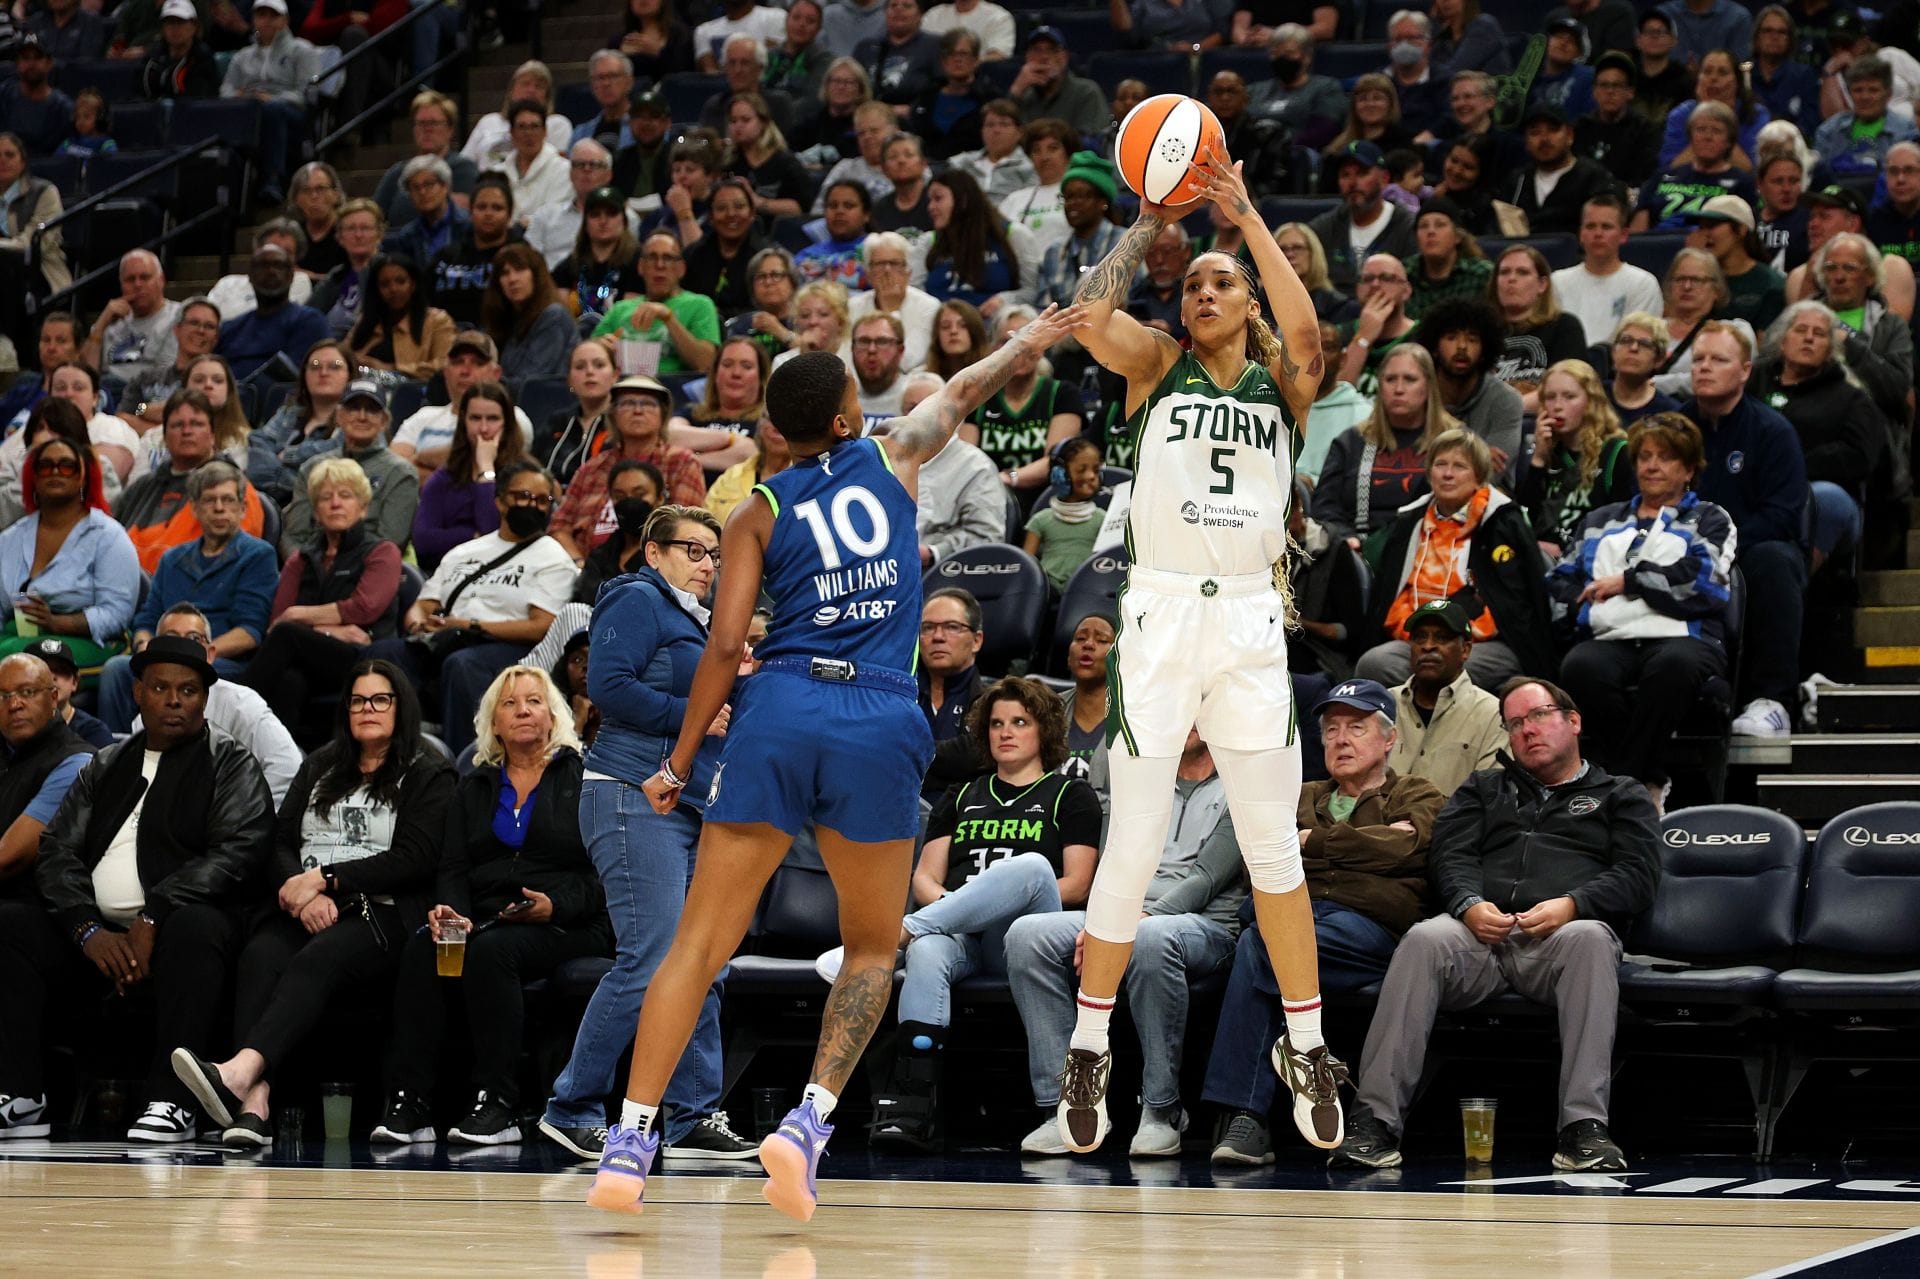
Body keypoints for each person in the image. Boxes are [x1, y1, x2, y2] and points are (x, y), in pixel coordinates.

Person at [584, 302, 1080, 1219]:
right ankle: (807, 1123)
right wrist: (1031, 338)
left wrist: (679, 760)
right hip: (879, 712)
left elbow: (726, 645)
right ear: (850, 418)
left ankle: (629, 1137)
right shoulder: (894, 457)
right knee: (873, 945)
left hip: (781, 705)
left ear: (777, 429)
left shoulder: (755, 511)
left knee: (696, 943)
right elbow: (966, 389)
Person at [1031, 151, 1351, 1163]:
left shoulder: (1281, 382)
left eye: (1222, 284)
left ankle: (1307, 1045)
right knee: (1131, 842)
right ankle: (1090, 1047)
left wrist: (1246, 213)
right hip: (1161, 616)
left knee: (1272, 852)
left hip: (1253, 621)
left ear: (1247, 301)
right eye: (1191, 283)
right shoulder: (1157, 366)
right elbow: (1087, 316)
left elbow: (1307, 330)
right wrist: (1145, 225)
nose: (1201, 292)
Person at [1333, 676, 1659, 1172]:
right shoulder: (1485, 788)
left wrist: (1573, 903)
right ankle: (1373, 1122)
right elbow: (1449, 854)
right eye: (1515, 723)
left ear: (1572, 722)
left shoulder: (1620, 794)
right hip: (1479, 937)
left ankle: (1583, 1128)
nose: (1527, 730)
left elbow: (1638, 875)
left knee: (1591, 939)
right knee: (1423, 938)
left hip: (1559, 939)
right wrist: (1467, 904)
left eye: (1539, 716)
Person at [536, 505, 757, 1161]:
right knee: (655, 956)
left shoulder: (702, 621)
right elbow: (609, 686)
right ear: (651, 553)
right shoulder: (635, 596)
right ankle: (571, 1106)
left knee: (701, 962)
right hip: (630, 792)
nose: (708, 563)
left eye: (714, 554)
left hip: (689, 803)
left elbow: (712, 711)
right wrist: (697, 710)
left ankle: (691, 1117)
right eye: (692, 549)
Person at [167, 662, 454, 1149]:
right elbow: (278, 841)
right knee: (261, 956)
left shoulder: (428, 770)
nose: (367, 710)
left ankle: (239, 1071)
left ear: (400, 706)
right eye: (358, 701)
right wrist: (301, 899)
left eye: (380, 699)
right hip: (307, 906)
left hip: (381, 912)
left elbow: (415, 858)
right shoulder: (322, 763)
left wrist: (327, 880)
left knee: (319, 957)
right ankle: (254, 1106)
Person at [27, 634, 274, 1143]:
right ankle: (20, 1095)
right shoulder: (106, 762)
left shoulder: (231, 763)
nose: (174, 699)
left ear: (205, 699)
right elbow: (56, 850)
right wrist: (86, 929)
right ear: (137, 693)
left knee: (197, 926)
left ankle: (173, 1100)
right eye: (160, 687)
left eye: (188, 690)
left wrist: (154, 913)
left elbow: (238, 851)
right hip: (97, 936)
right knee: (11, 923)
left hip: (181, 925)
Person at [1202, 679, 1443, 1166]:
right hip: (1299, 922)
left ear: (1389, 738)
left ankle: (1244, 1116)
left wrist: (1310, 843)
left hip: (1369, 931)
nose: (1340, 739)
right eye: (1331, 730)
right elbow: (1260, 858)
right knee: (1265, 939)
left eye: (1356, 727)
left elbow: (1410, 847)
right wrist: (1369, 844)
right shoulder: (1298, 792)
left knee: (1263, 944)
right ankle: (1290, 1087)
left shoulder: (1417, 792)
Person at [373, 665, 613, 1146]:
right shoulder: (474, 785)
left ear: (553, 717)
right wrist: (453, 913)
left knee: (491, 952)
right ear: (494, 723)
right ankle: (410, 1102)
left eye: (533, 701)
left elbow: (605, 869)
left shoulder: (584, 778)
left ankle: (497, 1103)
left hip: (573, 921)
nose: (522, 710)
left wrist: (555, 905)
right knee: (425, 947)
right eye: (509, 703)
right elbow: (454, 866)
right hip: (488, 916)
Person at [1550, 414, 1735, 807]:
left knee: (1672, 667)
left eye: (1665, 457)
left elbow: (1704, 584)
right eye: (1645, 457)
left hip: (1685, 635)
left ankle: (1622, 787)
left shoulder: (1709, 518)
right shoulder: (1601, 520)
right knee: (1581, 668)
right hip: (1609, 636)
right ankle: (1644, 782)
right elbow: (1561, 582)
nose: (1651, 466)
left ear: (1688, 469)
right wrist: (1586, 604)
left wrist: (1628, 583)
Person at [1675, 322, 1810, 738]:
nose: (1704, 368)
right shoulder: (1674, 429)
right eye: (1698, 359)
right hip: (1680, 548)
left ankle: (1772, 701)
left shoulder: (1772, 431)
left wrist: (1720, 549)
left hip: (1746, 550)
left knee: (1776, 559)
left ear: (1745, 371)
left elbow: (1783, 514)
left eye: (1718, 360)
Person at [389, 460, 578, 752]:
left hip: (512, 647)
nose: (533, 506)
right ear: (500, 503)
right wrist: (417, 623)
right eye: (523, 497)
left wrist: (471, 625)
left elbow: (541, 626)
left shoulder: (552, 557)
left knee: (462, 664)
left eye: (543, 500)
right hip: (447, 637)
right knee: (383, 655)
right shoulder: (464, 552)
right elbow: (423, 604)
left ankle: (469, 763)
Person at [1355, 428, 1554, 688]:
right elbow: (1386, 594)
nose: (1448, 474)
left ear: (1480, 476)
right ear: (1429, 473)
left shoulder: (1503, 523)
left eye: (1460, 466)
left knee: (1445, 670)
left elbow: (1521, 603)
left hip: (1483, 644)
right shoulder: (1409, 522)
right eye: (1440, 465)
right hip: (1414, 639)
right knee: (1374, 663)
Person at [96, 460, 276, 732]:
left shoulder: (258, 555)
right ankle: (117, 753)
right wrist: (145, 645)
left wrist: (193, 653)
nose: (219, 508)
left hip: (222, 660)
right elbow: (147, 618)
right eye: (209, 500)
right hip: (165, 654)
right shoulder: (172, 559)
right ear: (194, 508)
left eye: (228, 500)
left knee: (184, 675)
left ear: (242, 508)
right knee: (117, 669)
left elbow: (248, 633)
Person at [238, 457, 406, 734]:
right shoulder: (301, 559)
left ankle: (232, 713)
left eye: (345, 496)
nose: (335, 503)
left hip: (366, 654)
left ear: (363, 508)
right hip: (315, 658)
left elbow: (364, 608)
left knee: (287, 636)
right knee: (289, 681)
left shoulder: (382, 552)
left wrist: (299, 616)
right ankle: (284, 763)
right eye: (326, 498)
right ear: (316, 511)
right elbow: (277, 621)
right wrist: (329, 631)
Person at [1749, 300, 1883, 572]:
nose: (1809, 338)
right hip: (1754, 485)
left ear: (1831, 350)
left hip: (1819, 492)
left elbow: (1860, 457)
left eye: (1819, 334)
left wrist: (1796, 465)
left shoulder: (1852, 399)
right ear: (1784, 340)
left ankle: (1794, 580)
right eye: (1801, 330)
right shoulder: (1752, 382)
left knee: (1825, 499)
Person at [0, 434, 139, 674]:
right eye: (45, 466)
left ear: (83, 478)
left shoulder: (109, 537)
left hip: (88, 640)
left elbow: (116, 614)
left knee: (15, 660)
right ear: (32, 477)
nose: (55, 471)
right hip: (16, 636)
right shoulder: (10, 538)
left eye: (67, 466)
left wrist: (56, 622)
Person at [551, 375, 706, 563]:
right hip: (588, 572)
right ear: (613, 414)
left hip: (654, 572)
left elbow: (685, 530)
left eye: (648, 403)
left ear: (663, 414)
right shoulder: (591, 468)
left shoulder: (682, 463)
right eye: (628, 403)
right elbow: (559, 527)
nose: (638, 410)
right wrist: (578, 564)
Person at [1311, 344, 1448, 545]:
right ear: (1380, 386)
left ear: (1428, 385)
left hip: (1433, 550)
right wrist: (1344, 537)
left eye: (1410, 379)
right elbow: (1324, 506)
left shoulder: (1454, 441)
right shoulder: (1352, 441)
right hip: (1358, 552)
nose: (1399, 389)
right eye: (1390, 379)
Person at [1381, 599, 1506, 797]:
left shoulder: (1493, 715)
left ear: (1465, 650)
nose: (1428, 646)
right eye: (1420, 638)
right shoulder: (1383, 705)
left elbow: (1489, 800)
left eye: (1442, 638)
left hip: (1454, 826)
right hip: (1374, 826)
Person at [388, 332, 536, 485]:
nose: (465, 371)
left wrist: (420, 458)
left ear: (496, 374)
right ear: (446, 372)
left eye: (477, 363)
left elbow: (486, 465)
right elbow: (394, 472)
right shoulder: (423, 417)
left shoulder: (512, 417)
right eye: (458, 362)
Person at [1521, 360, 1634, 558]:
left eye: (1569, 397)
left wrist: (1569, 551)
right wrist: (1538, 459)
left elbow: (1623, 526)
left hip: (1588, 560)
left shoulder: (1616, 452)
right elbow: (1524, 520)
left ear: (1591, 401)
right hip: (1537, 558)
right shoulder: (1545, 450)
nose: (1557, 406)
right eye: (1550, 397)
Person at [962, 306, 1080, 492]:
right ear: (994, 349)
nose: (1019, 349)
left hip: (1043, 499)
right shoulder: (980, 397)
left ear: (1042, 347)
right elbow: (964, 460)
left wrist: (1008, 479)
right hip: (985, 498)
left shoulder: (1063, 394)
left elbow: (1055, 460)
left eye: (1028, 338)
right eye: (1007, 341)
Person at [219, 0, 322, 204]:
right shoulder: (242, 56)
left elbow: (307, 93)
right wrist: (239, 97)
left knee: (272, 110)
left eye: (273, 16)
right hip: (249, 112)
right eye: (261, 15)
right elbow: (225, 90)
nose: (267, 21)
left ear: (285, 19)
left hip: (291, 114)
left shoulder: (302, 50)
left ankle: (273, 180)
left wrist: (272, 99)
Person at [413, 382, 522, 573]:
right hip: (447, 574)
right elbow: (423, 541)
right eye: (475, 418)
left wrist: (486, 469)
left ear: (508, 422)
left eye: (493, 418)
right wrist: (471, 535)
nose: (483, 428)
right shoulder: (445, 477)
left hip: (504, 575)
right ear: (464, 421)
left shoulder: (523, 475)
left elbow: (494, 538)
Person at [1414, 297, 1523, 477]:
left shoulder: (1505, 400)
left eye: (1472, 339)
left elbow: (1494, 474)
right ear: (1434, 347)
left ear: (1485, 350)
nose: (1462, 347)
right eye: (1451, 338)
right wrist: (1477, 454)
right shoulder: (1417, 393)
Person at [592, 232, 722, 377]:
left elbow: (706, 364)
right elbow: (588, 355)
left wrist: (669, 319)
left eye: (668, 258)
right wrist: (601, 347)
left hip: (674, 391)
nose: (660, 265)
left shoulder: (700, 305)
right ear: (641, 267)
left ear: (681, 268)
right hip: (623, 387)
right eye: (652, 257)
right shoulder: (620, 309)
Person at [1552, 193, 1665, 347]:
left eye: (1606, 227)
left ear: (1623, 235)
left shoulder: (1643, 284)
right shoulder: (1557, 282)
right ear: (1581, 234)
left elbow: (1639, 343)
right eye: (1590, 226)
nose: (1598, 234)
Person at [1309, 142, 1418, 294]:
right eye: (1345, 175)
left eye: (1362, 173)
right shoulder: (1325, 227)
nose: (1352, 183)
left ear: (1385, 179)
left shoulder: (1408, 227)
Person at [1631, 101, 1756, 233]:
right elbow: (1638, 232)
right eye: (1701, 129)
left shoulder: (1742, 182)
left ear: (1729, 141)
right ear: (1690, 137)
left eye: (1717, 131)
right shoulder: (1661, 177)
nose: (1707, 137)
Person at [215, 245, 330, 382]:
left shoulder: (310, 321)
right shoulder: (230, 329)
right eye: (263, 265)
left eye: (279, 265)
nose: (271, 271)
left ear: (291, 276)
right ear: (250, 276)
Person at [1506, 104, 1621, 237]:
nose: (1544, 139)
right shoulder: (1518, 181)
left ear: (1570, 136)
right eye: (1535, 133)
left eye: (1553, 130)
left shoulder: (1593, 177)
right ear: (1526, 142)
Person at [1491, 245, 1590, 396]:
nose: (1511, 279)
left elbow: (1567, 391)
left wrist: (1510, 408)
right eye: (1504, 272)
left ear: (1542, 284)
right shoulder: (1481, 331)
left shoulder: (1564, 326)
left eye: (1522, 272)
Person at [372, 93, 480, 231]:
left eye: (434, 123)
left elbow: (465, 212)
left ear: (450, 130)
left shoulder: (463, 169)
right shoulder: (397, 172)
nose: (427, 129)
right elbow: (375, 215)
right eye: (421, 123)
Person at [429, 175, 521, 332]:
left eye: (497, 208)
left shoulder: (522, 257)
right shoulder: (445, 257)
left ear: (510, 214)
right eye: (481, 207)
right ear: (470, 212)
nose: (488, 214)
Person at [348, 254, 456, 383]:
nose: (393, 289)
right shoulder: (366, 321)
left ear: (413, 285)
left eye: (400, 281)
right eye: (385, 284)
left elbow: (446, 364)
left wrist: (391, 369)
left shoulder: (437, 321)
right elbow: (338, 357)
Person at [1687, 194, 1788, 330]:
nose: (1704, 234)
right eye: (1701, 227)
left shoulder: (1770, 284)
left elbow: (1764, 346)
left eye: (1711, 226)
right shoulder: (1689, 280)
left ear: (1741, 230)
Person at [80, 250, 181, 386]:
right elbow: (85, 376)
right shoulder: (110, 322)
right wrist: (100, 324)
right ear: (121, 284)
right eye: (130, 279)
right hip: (106, 396)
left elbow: (167, 379)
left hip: (145, 398)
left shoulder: (177, 316)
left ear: (161, 280)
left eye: (145, 277)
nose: (137, 285)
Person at [670, 336, 767, 474]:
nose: (736, 373)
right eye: (727, 364)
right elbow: (670, 434)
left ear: (761, 377)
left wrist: (691, 460)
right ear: (715, 374)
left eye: (746, 366)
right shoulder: (692, 412)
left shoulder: (766, 421)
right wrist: (730, 438)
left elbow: (750, 454)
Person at [681, 177, 771, 322]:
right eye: (721, 208)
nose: (730, 214)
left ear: (752, 213)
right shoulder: (694, 255)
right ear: (710, 216)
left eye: (739, 206)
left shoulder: (767, 257)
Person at [484, 243, 575, 381]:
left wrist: (483, 382)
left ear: (536, 276)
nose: (512, 279)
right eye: (505, 273)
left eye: (520, 269)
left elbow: (532, 382)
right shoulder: (506, 320)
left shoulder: (554, 316)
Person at [574, 462, 663, 604]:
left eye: (639, 494)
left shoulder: (668, 553)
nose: (629, 501)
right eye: (620, 496)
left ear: (659, 499)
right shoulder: (601, 554)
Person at [532, 341, 618, 486]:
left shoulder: (622, 423)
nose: (590, 372)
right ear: (569, 380)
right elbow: (533, 467)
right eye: (580, 367)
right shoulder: (556, 422)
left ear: (615, 375)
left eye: (599, 365)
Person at [1022, 437, 1103, 590]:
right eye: (1081, 470)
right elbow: (1026, 567)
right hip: (1047, 591)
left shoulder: (1103, 520)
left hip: (1086, 589)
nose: (1091, 476)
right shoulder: (1040, 520)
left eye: (1096, 470)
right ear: (1060, 475)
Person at [1816, 55, 1918, 175]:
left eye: (1873, 90)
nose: (1865, 97)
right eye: (1858, 90)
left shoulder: (1907, 130)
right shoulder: (1829, 130)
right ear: (1849, 94)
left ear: (1888, 94)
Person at [553, 185, 639, 327]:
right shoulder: (569, 266)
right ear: (585, 224)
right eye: (595, 214)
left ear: (624, 221)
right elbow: (561, 318)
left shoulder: (637, 262)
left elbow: (630, 319)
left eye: (611, 214)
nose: (603, 221)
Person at [1248, 26, 1346, 151]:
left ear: (1307, 57)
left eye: (1289, 53)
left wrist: (1282, 147)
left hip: (1297, 156)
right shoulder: (1254, 90)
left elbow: (1324, 129)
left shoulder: (1326, 87)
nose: (1281, 59)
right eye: (1275, 53)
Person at [1576, 53, 1661, 190]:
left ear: (1630, 92)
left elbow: (1646, 178)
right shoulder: (1581, 128)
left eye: (1617, 85)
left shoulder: (1644, 131)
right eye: (1604, 85)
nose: (1610, 91)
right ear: (1594, 92)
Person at [462, 65, 572, 170]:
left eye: (538, 86)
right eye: (525, 84)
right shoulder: (488, 121)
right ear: (511, 90)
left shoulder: (558, 124)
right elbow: (465, 163)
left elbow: (558, 168)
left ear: (547, 97)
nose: (531, 90)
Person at [1336, 253, 1418, 395]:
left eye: (1386, 278)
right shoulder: (1338, 335)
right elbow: (1335, 398)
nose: (1375, 284)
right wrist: (1364, 337)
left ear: (1406, 290)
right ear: (1357, 290)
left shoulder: (1424, 334)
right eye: (1367, 279)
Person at [309, 199, 388, 338]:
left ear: (380, 235)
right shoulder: (336, 276)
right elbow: (309, 316)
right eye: (351, 228)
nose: (358, 235)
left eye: (365, 228)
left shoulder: (391, 272)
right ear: (340, 237)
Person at [1403, 197, 1489, 322]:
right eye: (1423, 226)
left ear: (1458, 237)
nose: (1431, 231)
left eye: (1440, 225)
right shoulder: (1403, 275)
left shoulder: (1481, 275)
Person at [22, 637, 112, 747]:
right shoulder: (11, 728)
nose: (52, 676)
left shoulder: (93, 732)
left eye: (61, 670)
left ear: (74, 682)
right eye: (42, 671)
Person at [855, 0, 944, 109]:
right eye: (893, 5)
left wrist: (913, 110)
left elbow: (943, 89)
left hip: (917, 119)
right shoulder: (866, 47)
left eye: (907, 6)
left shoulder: (935, 46)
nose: (899, 9)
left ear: (920, 15)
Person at [948, 99, 1037, 204]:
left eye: (1004, 124)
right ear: (982, 131)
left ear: (1019, 132)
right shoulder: (962, 162)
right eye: (990, 125)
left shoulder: (1030, 167)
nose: (996, 130)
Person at [706, 416, 791, 525]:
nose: (777, 428)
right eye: (770, 419)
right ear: (760, 425)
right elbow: (707, 523)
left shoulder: (808, 481)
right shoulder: (731, 476)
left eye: (786, 421)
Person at [724, 247, 802, 364]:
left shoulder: (806, 320)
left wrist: (781, 332)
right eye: (761, 276)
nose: (768, 282)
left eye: (776, 275)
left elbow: (817, 354)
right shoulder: (739, 325)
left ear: (792, 282)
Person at [0, 37, 75, 157]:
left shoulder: (64, 109)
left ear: (49, 64)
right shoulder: (3, 95)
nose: (31, 64)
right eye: (25, 58)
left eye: (37, 58)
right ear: (17, 64)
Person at [1607, 312, 1684, 424]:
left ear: (1659, 360)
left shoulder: (1669, 413)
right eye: (1626, 340)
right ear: (1613, 351)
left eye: (1645, 344)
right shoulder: (1593, 396)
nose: (1633, 348)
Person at [291, 161, 347, 276]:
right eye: (306, 191)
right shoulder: (292, 235)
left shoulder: (349, 231)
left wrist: (307, 277)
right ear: (296, 199)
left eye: (320, 189)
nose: (314, 196)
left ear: (336, 195)